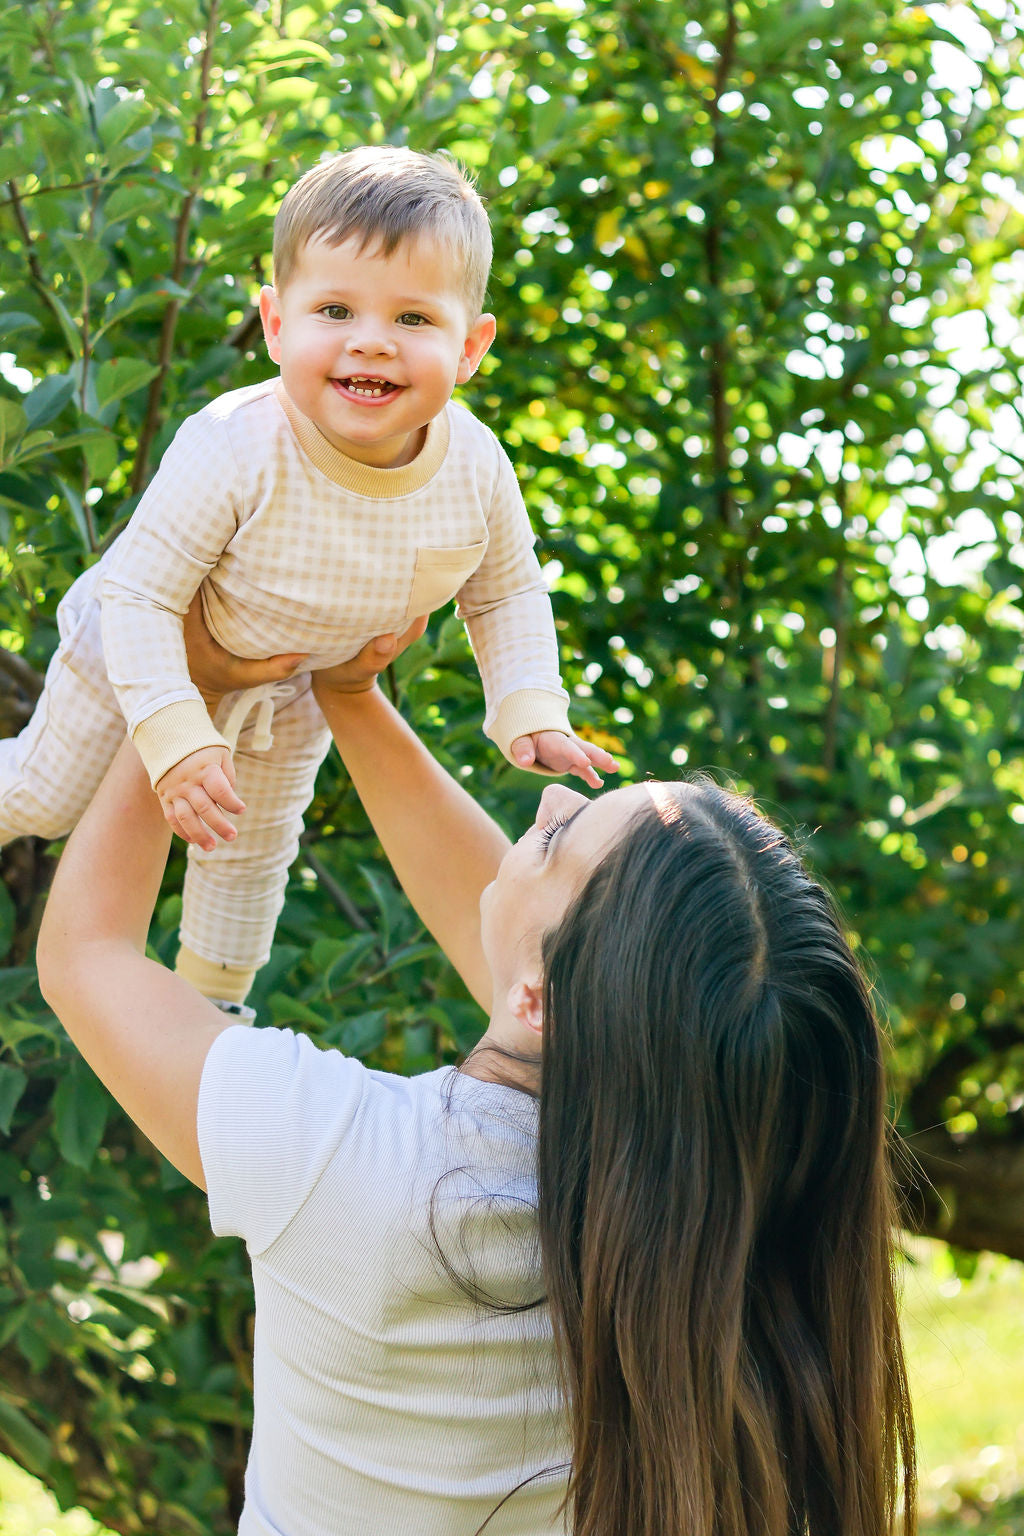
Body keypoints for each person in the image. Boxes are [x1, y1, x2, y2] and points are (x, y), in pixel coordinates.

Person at [37, 617, 916, 1536]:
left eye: (556, 838)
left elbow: (85, 953)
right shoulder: (715, 1209)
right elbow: (539, 967)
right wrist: (349, 697)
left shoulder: (336, 1158)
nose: (547, 802)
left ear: (543, 999)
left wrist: (183, 692)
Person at [1, 145, 613, 1016]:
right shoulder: (236, 443)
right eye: (335, 309)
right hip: (141, 649)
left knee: (251, 846)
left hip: (294, 687)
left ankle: (213, 1014)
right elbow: (137, 595)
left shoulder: (475, 465)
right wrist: (174, 732)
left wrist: (529, 706)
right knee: (44, 796)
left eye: (413, 318)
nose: (371, 339)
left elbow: (506, 592)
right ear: (277, 324)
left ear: (471, 346)